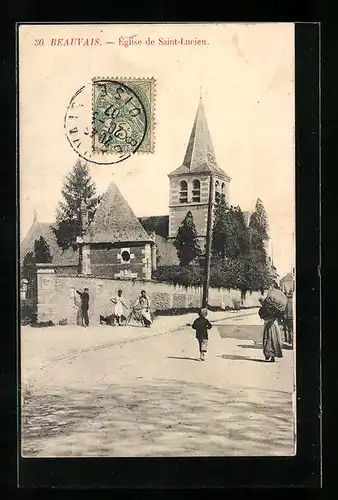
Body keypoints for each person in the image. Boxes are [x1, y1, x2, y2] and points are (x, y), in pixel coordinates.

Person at [259, 281, 284, 362]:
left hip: (268, 324)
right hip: (274, 323)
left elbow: (261, 315)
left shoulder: (263, 309)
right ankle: (272, 356)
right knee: (274, 339)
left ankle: (268, 355)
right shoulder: (274, 307)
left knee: (267, 339)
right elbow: (279, 314)